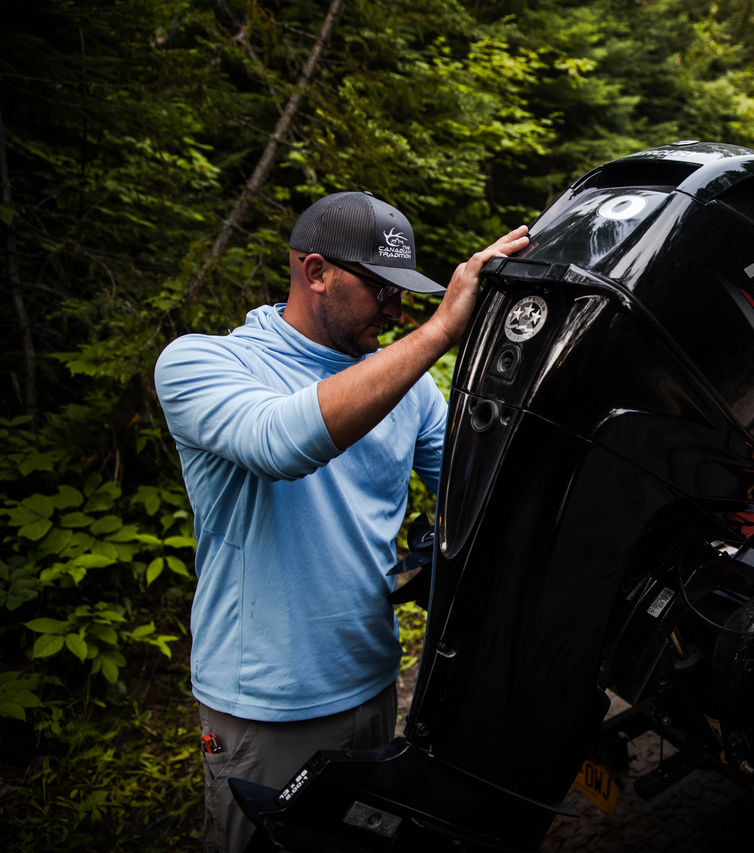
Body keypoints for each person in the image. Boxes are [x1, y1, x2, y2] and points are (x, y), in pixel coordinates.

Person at [154, 190, 529, 852]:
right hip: (264, 704)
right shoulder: (204, 362)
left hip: (374, 682)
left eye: (406, 293)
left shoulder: (407, 383)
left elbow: (476, 494)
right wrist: (440, 330)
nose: (397, 309)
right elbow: (279, 442)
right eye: (381, 288)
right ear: (315, 270)